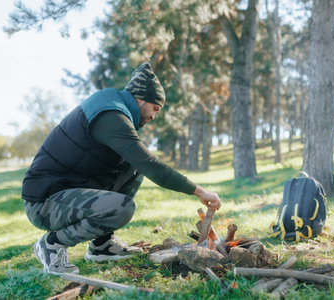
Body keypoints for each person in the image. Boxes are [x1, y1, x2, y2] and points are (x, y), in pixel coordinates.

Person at [22, 62, 221, 275]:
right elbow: (152, 165)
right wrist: (200, 191)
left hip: (67, 191)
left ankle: (102, 246)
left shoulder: (114, 107)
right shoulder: (111, 116)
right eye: (155, 108)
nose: (154, 116)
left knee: (133, 167)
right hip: (44, 203)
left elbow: (141, 163)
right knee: (122, 207)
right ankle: (52, 244)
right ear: (139, 99)